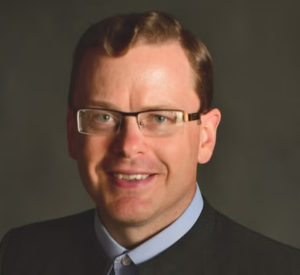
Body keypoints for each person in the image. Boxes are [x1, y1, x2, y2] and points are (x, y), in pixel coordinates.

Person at [0, 11, 299, 275]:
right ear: (72, 134)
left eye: (160, 118)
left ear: (205, 137)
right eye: (103, 117)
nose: (129, 145)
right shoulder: (17, 257)